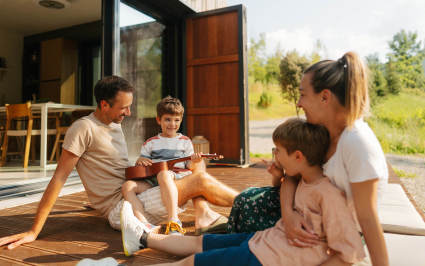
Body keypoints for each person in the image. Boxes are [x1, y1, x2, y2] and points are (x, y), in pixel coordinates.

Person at [0, 76, 238, 250]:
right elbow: (59, 178)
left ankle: (203, 213)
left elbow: (110, 168)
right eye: (124, 107)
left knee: (197, 165)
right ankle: (257, 205)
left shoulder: (114, 124)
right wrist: (34, 231)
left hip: (138, 189)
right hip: (124, 205)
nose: (129, 112)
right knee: (200, 180)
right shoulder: (83, 128)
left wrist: (95, 199)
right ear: (104, 104)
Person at [120, 118, 366, 266]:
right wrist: (277, 176)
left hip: (267, 258)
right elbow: (284, 189)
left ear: (298, 156)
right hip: (264, 240)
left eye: (278, 151)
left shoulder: (328, 195)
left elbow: (349, 253)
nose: (274, 156)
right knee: (200, 242)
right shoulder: (301, 178)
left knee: (192, 262)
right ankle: (143, 237)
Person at [228, 51, 389, 265]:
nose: (299, 103)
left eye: (303, 94)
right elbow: (292, 177)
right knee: (248, 199)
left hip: (334, 231)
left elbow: (368, 219)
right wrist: (288, 215)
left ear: (325, 97)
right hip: (308, 211)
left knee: (249, 209)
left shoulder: (357, 142)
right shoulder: (322, 131)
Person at [122, 96, 211, 235]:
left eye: (176, 120)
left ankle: (173, 220)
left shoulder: (185, 141)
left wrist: (195, 160)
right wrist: (140, 159)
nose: (172, 124)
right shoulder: (150, 142)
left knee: (164, 174)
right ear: (159, 120)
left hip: (177, 176)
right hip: (154, 179)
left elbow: (189, 165)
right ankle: (144, 223)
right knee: (127, 186)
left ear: (181, 120)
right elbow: (143, 161)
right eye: (168, 119)